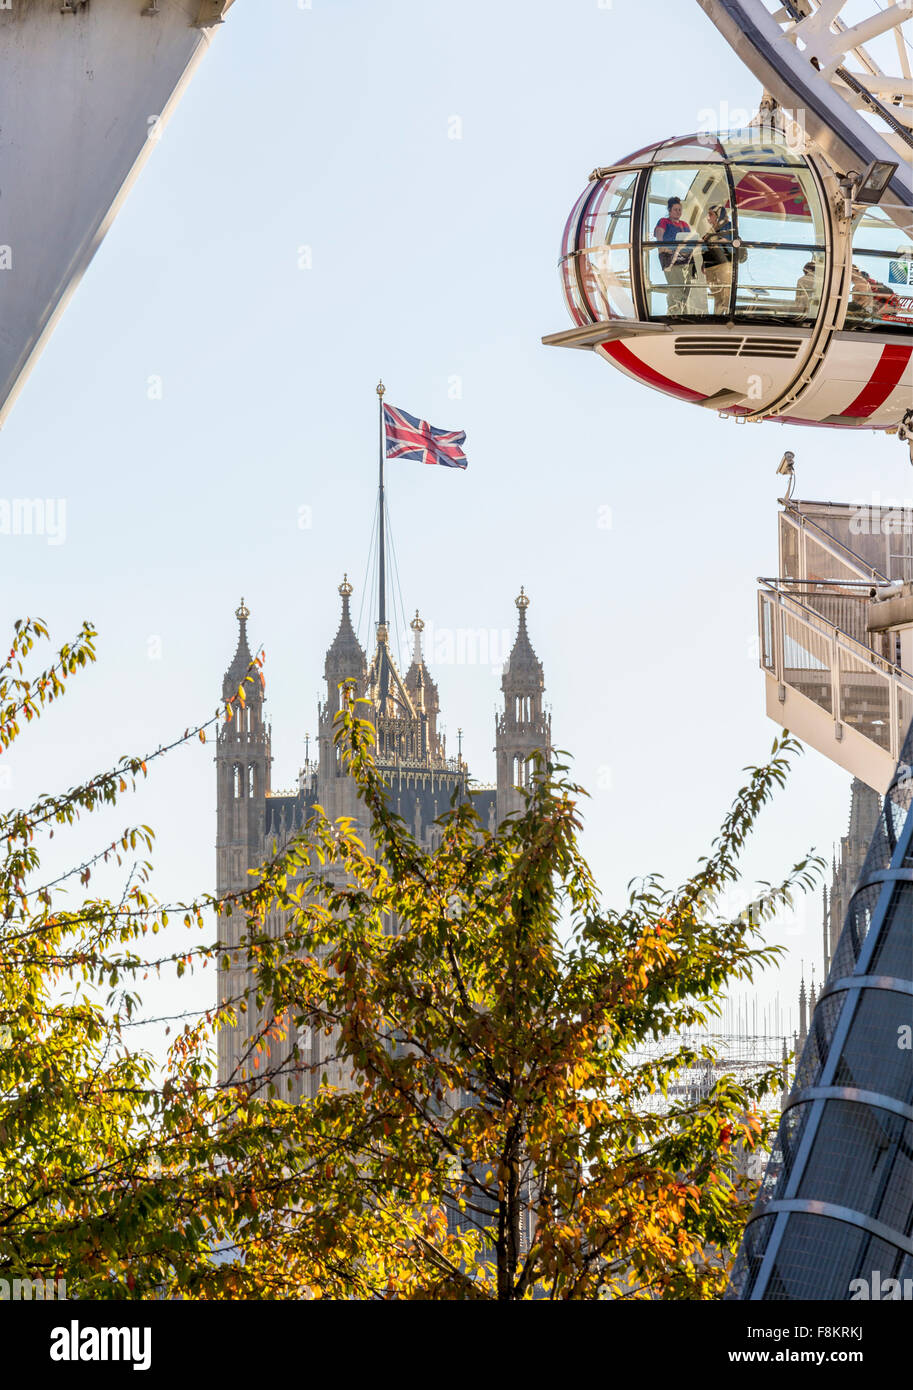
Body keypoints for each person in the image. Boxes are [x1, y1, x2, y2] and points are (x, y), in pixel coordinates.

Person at [653, 197, 694, 315]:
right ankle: (674, 313)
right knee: (676, 285)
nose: (678, 212)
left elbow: (690, 240)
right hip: (669, 256)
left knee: (687, 286)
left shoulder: (684, 224)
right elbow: (659, 236)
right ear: (670, 211)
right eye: (675, 210)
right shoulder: (664, 221)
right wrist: (662, 249)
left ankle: (682, 312)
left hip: (684, 257)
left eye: (680, 210)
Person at [701, 204, 733, 314]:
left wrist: (714, 241)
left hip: (723, 265)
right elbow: (704, 248)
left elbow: (729, 244)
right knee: (717, 296)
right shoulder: (710, 231)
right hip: (711, 266)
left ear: (718, 215)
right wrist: (703, 264)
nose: (708, 216)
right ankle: (717, 317)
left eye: (711, 214)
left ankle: (725, 318)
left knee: (726, 295)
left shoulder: (729, 226)